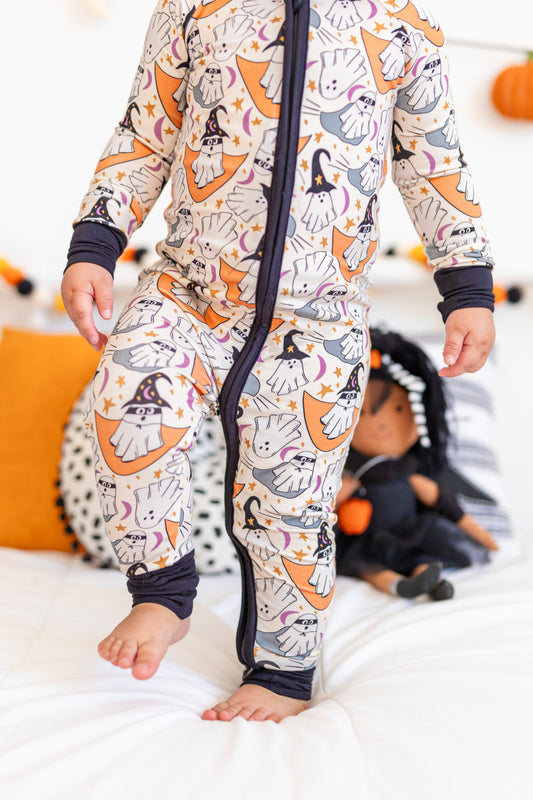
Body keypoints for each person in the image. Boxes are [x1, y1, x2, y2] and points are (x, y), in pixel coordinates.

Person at [61, 0, 496, 723]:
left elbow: (433, 162)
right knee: (128, 399)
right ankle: (162, 590)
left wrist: (467, 286)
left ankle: (283, 670)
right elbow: (145, 132)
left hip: (317, 321)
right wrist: (95, 244)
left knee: (291, 509)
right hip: (188, 293)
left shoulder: (399, 24)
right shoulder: (195, 7)